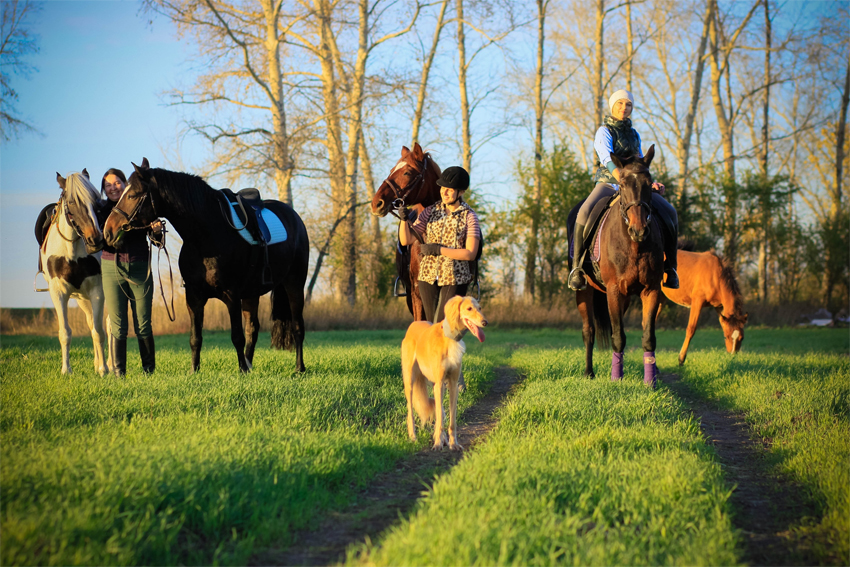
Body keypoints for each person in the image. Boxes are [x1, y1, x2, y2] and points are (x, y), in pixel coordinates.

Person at [568, 89, 679, 291]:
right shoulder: (604, 131)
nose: (624, 108)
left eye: (628, 105)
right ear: (613, 106)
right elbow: (605, 156)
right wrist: (619, 178)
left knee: (670, 212)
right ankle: (576, 268)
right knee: (584, 212)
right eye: (620, 104)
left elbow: (638, 162)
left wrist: (650, 184)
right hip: (608, 183)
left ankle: (671, 268)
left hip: (632, 187)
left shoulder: (634, 134)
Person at [98, 168, 163, 377]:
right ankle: (120, 375)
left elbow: (158, 242)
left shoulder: (139, 205)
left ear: (125, 184)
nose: (112, 188)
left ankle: (149, 372)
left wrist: (156, 231)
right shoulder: (101, 211)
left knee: (143, 323)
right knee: (118, 325)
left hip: (140, 267)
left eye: (116, 183)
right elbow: (101, 240)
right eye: (108, 185)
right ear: (104, 189)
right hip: (111, 269)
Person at [399, 165, 482, 324]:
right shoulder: (429, 212)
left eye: (450, 189)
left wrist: (438, 250)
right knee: (431, 324)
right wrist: (404, 220)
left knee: (442, 323)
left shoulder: (469, 217)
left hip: (455, 276)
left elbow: (470, 253)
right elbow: (406, 240)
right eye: (443, 188)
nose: (444, 192)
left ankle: (451, 346)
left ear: (461, 192)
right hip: (427, 276)